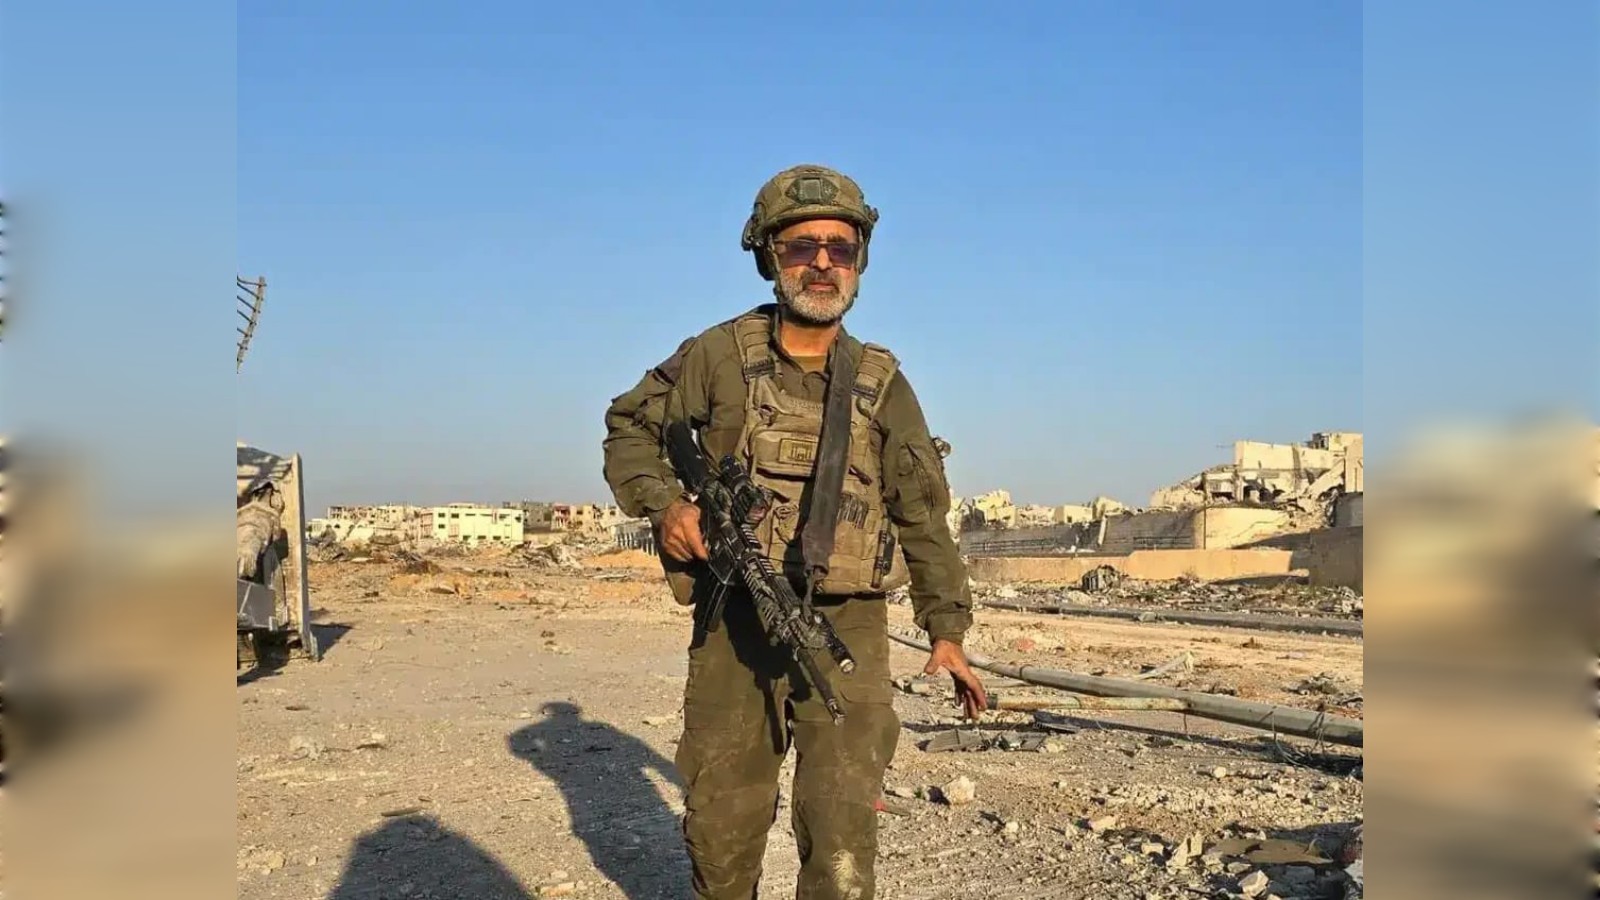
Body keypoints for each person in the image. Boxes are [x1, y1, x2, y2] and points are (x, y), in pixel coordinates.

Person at [601, 163, 987, 900]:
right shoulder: (715, 356)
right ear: (768, 258)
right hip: (736, 623)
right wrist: (667, 509)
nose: (820, 263)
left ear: (859, 263)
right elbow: (630, 427)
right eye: (800, 246)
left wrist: (948, 631)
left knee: (842, 822)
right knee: (723, 817)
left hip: (848, 625)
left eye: (839, 249)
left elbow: (921, 512)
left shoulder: (880, 382)